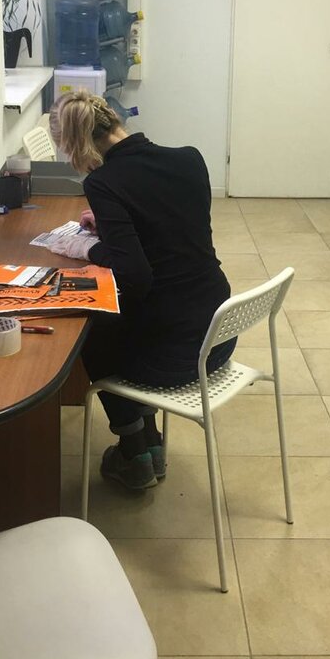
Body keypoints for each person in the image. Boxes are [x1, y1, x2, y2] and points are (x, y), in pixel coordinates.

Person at [48, 90, 236, 490]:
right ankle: (150, 440)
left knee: (95, 329)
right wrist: (112, 226)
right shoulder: (189, 158)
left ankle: (134, 452)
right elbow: (169, 228)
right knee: (134, 317)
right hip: (218, 335)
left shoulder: (104, 182)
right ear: (115, 121)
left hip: (175, 356)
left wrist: (86, 248)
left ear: (79, 145)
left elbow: (135, 274)